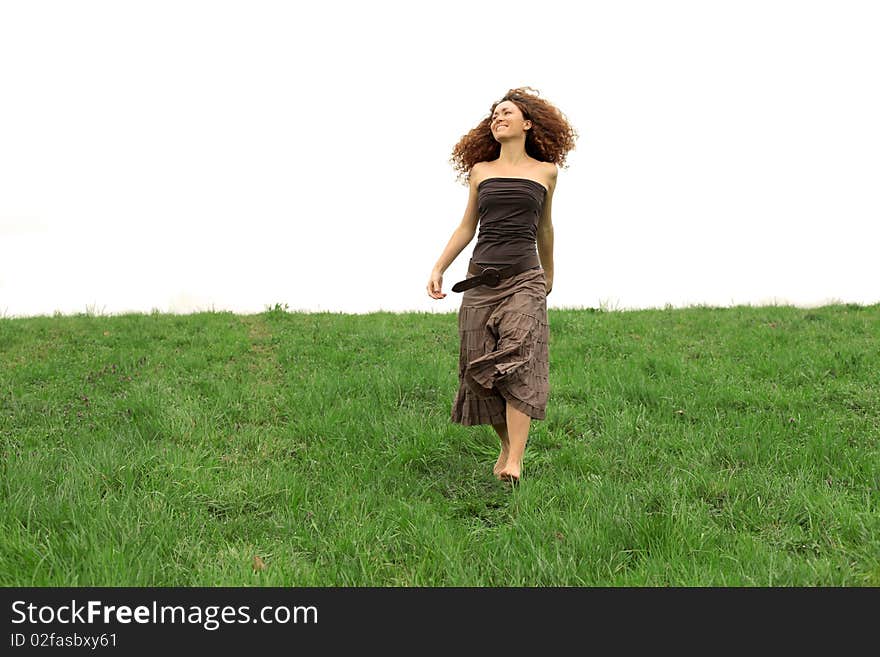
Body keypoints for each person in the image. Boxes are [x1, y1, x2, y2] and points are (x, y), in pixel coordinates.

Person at [427, 87, 577, 485]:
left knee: (518, 359)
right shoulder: (481, 172)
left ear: (527, 123)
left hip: (525, 278)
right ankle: (507, 447)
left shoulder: (546, 172)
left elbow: (545, 228)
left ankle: (516, 462)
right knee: (478, 369)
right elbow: (466, 227)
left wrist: (548, 274)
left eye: (505, 112)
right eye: (493, 114)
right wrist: (440, 266)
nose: (497, 117)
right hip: (480, 280)